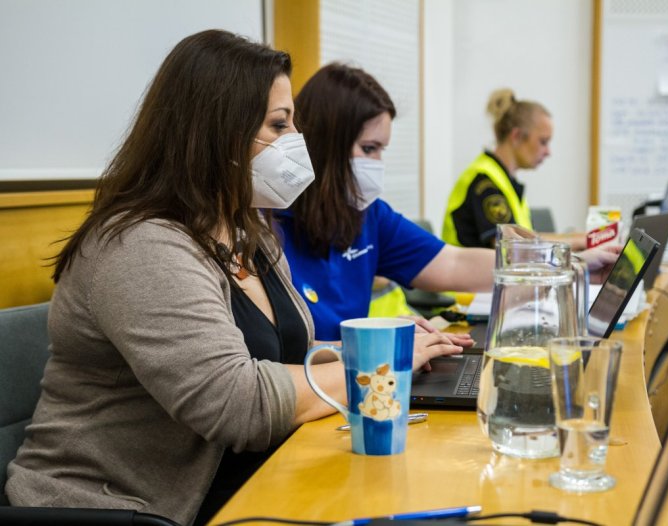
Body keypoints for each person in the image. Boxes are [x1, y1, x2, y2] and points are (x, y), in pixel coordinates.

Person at [4, 31, 459, 526]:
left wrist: (376, 346)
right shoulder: (141, 246)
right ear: (219, 132)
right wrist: (383, 369)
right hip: (121, 507)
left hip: (239, 485)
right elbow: (237, 403)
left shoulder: (248, 231)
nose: (295, 145)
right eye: (279, 125)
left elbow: (283, 360)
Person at [276, 64, 617, 342]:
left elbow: (453, 263)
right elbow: (276, 357)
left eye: (382, 150)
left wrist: (570, 265)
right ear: (327, 145)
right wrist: (381, 341)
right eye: (369, 149)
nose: (377, 163)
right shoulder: (270, 226)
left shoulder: (369, 217)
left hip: (360, 385)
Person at [442, 88, 584, 250]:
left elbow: (527, 240)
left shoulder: (503, 180)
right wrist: (576, 241)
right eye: (543, 142)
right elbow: (512, 247)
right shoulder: (485, 182)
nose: (548, 152)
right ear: (516, 136)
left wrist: (575, 239)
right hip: (471, 275)